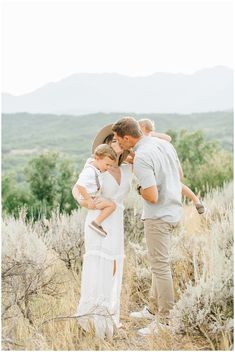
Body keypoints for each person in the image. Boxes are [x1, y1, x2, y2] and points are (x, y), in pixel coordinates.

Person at [112, 116, 183, 336]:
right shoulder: (163, 145)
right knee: (158, 265)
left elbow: (151, 195)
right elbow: (179, 176)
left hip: (158, 216)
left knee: (160, 267)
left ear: (126, 137)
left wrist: (138, 187)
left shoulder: (142, 156)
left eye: (117, 139)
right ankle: (153, 310)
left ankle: (165, 320)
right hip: (174, 211)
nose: (117, 144)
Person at [72, 124, 132, 339]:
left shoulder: (127, 168)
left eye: (119, 140)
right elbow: (77, 190)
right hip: (98, 221)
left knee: (114, 266)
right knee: (96, 266)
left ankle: (108, 318)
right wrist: (90, 203)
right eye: (112, 140)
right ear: (106, 144)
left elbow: (164, 139)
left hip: (116, 223)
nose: (116, 144)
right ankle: (90, 321)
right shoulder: (95, 166)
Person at [138, 118, 205, 215]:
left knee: (171, 182)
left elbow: (168, 138)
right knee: (175, 182)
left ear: (143, 127)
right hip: (167, 161)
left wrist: (151, 134)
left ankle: (194, 200)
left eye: (138, 127)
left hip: (160, 163)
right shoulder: (155, 139)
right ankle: (196, 200)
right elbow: (168, 139)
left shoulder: (148, 138)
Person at [73, 143, 117, 236]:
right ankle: (96, 223)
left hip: (88, 197)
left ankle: (96, 222)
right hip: (88, 198)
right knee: (112, 206)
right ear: (97, 159)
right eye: (107, 164)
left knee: (110, 204)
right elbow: (80, 185)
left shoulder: (95, 165)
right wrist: (89, 200)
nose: (108, 168)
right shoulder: (90, 171)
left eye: (110, 165)